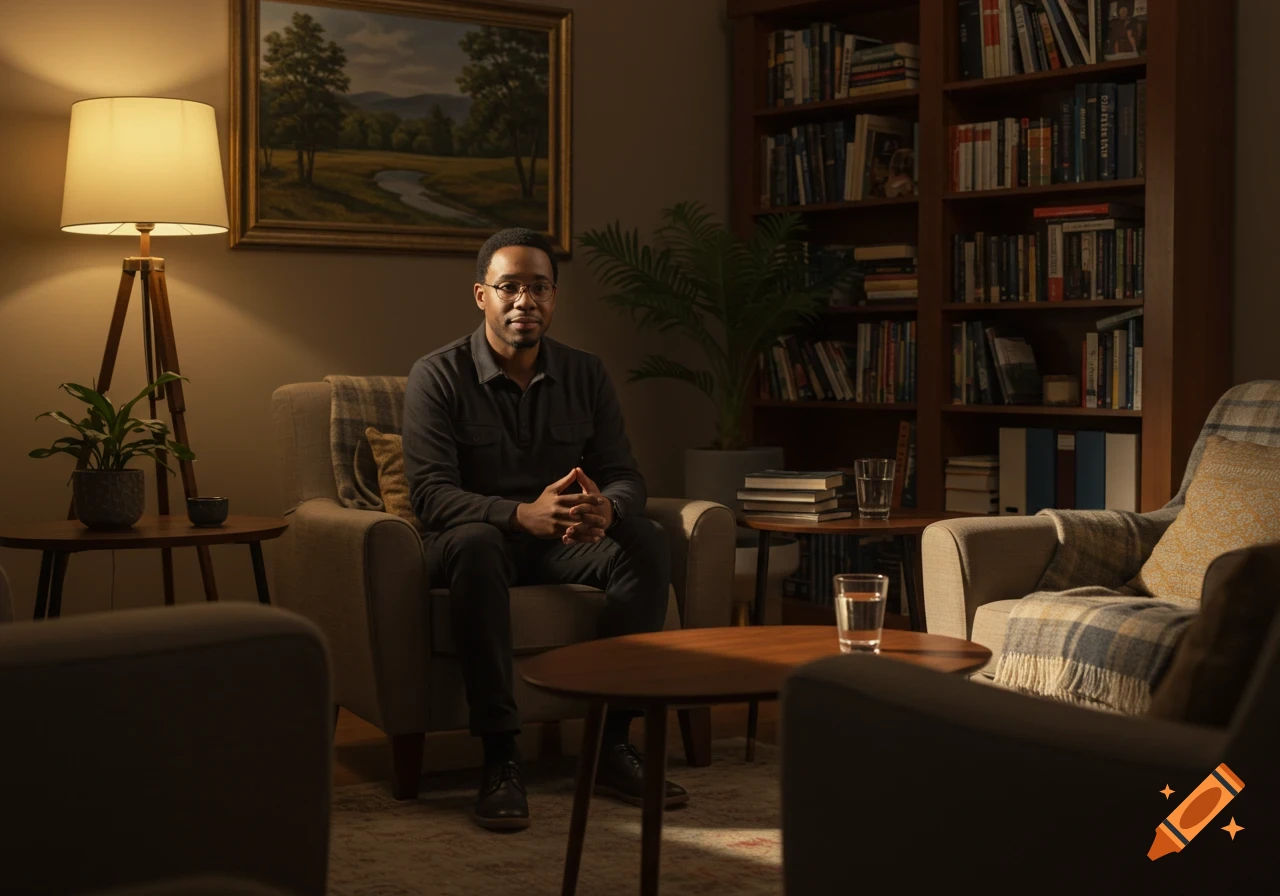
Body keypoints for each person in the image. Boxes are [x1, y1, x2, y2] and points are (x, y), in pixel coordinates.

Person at [401, 227, 687, 831]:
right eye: (509, 288)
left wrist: (608, 508)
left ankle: (612, 743)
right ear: (482, 296)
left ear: (554, 299)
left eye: (539, 289)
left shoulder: (586, 374)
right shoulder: (438, 376)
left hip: (561, 545)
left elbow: (625, 474)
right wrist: (517, 514)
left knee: (645, 538)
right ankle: (501, 757)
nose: (524, 302)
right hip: (476, 542)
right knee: (478, 546)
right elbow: (430, 495)